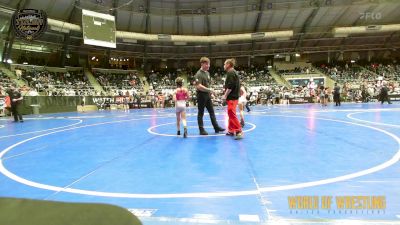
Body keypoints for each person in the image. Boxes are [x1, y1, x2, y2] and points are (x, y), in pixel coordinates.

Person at [195, 57, 225, 135]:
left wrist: (211, 92)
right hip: (201, 95)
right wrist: (209, 90)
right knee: (201, 113)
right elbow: (198, 86)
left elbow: (207, 85)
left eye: (209, 64)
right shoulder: (198, 74)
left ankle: (216, 127)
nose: (208, 65)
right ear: (202, 64)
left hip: (207, 95)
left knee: (212, 112)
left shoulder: (207, 73)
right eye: (207, 64)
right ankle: (201, 130)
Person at [222, 58, 243, 140]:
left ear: (228, 65)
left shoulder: (230, 72)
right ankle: (231, 130)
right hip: (233, 96)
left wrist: (225, 95)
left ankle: (239, 130)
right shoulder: (233, 72)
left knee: (231, 112)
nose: (223, 66)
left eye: (224, 64)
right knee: (230, 113)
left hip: (232, 97)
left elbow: (230, 86)